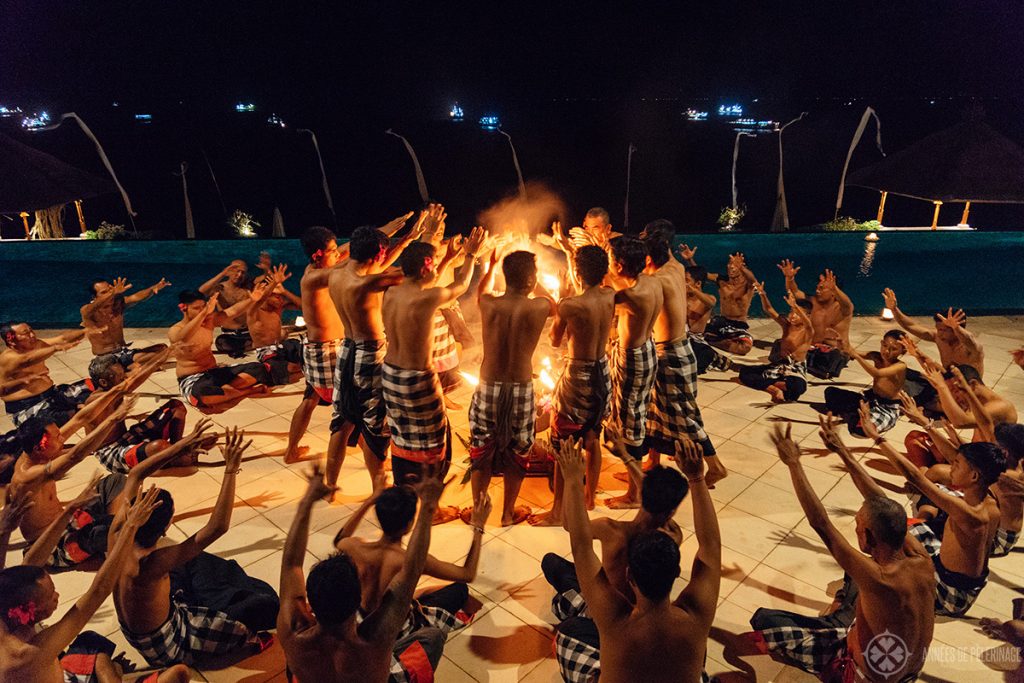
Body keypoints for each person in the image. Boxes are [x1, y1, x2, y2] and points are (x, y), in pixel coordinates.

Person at [751, 419, 935, 682]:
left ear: (869, 536)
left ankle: (835, 622)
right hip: (908, 674)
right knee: (853, 579)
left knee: (766, 621)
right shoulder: (922, 559)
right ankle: (839, 613)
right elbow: (881, 501)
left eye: (858, 526)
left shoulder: (878, 578)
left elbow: (821, 524)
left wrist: (794, 464)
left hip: (858, 674)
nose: (856, 530)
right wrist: (842, 452)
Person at [552, 437, 720, 683]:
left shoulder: (613, 618)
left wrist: (573, 479)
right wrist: (696, 478)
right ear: (676, 572)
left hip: (598, 625)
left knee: (568, 627)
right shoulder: (696, 618)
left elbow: (580, 544)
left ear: (630, 575)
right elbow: (712, 546)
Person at [113, 427, 278, 667]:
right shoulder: (150, 565)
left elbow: (136, 473)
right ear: (165, 528)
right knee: (268, 603)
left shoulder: (117, 533)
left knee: (195, 560)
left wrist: (181, 446)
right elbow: (217, 527)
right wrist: (231, 469)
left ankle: (211, 599)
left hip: (151, 624)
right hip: (169, 646)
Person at [278, 463, 452, 683]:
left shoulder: (293, 630)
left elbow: (291, 564)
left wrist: (306, 503)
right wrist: (428, 506)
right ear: (357, 600)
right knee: (433, 636)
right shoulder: (375, 639)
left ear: (309, 603)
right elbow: (411, 570)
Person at [0, 489, 190, 683]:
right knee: (180, 673)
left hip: (54, 672)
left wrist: (6, 529)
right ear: (29, 610)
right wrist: (130, 528)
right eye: (51, 597)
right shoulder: (25, 654)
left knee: (90, 642)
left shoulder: (6, 607)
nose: (57, 595)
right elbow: (99, 591)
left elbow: (31, 562)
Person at [858, 403, 1005, 616]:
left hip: (951, 595)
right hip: (962, 580)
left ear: (973, 476)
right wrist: (925, 423)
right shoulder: (990, 501)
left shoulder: (969, 513)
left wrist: (877, 438)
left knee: (886, 531)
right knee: (911, 528)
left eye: (956, 465)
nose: (951, 467)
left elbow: (915, 477)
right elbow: (955, 454)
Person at [325, 215, 428, 494]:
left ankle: (329, 483)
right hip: (369, 355)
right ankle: (379, 491)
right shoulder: (367, 284)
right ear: (378, 253)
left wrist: (405, 239)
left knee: (342, 419)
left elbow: (377, 264)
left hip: (346, 350)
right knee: (375, 424)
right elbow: (413, 274)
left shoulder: (337, 272)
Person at [541, 428, 688, 620]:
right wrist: (625, 456)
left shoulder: (612, 531)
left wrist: (572, 478)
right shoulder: (672, 536)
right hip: (638, 612)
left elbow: (570, 525)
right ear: (671, 510)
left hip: (605, 608)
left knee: (551, 562)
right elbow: (649, 491)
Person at [383, 230, 484, 495]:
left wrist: (448, 257)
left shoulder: (392, 292)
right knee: (433, 440)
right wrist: (471, 254)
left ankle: (402, 488)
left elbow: (427, 282)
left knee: (403, 435)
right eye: (433, 263)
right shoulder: (427, 298)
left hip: (391, 375)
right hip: (417, 379)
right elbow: (461, 285)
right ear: (426, 268)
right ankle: (430, 503)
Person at [333, 474, 487, 638]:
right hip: (394, 629)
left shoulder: (356, 548)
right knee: (459, 590)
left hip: (362, 621)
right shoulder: (411, 561)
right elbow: (467, 574)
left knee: (419, 592)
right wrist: (478, 527)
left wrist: (372, 499)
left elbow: (339, 539)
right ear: (409, 525)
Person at [462, 248, 552, 526]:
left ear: (505, 276)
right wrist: (533, 280)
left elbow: (482, 289)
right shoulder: (538, 306)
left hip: (489, 383)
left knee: (481, 447)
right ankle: (506, 513)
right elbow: (554, 301)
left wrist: (490, 267)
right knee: (519, 449)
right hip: (521, 386)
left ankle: (479, 513)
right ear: (531, 279)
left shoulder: (489, 304)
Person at [531, 245, 615, 526]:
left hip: (578, 373)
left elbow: (555, 340)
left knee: (562, 440)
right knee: (592, 436)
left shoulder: (571, 305)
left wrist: (563, 299)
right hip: (603, 370)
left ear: (577, 273)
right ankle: (590, 497)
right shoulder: (610, 296)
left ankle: (557, 512)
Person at [640, 221, 724, 488]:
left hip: (672, 354)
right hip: (676, 349)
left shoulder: (657, 279)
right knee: (656, 411)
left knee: (684, 418)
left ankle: (716, 466)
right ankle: (652, 461)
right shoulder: (676, 267)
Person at [11, 402, 141, 568]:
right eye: (57, 438)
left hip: (69, 520)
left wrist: (116, 392)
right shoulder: (27, 476)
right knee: (105, 532)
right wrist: (111, 420)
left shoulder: (37, 450)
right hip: (52, 544)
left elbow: (79, 419)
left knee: (115, 481)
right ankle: (109, 538)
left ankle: (111, 529)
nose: (63, 439)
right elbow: (75, 456)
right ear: (39, 448)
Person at [169, 278, 286, 414]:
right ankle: (247, 391)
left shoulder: (209, 321)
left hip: (214, 372)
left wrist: (252, 299)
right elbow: (184, 337)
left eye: (203, 307)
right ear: (183, 308)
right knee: (202, 393)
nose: (202, 311)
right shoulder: (175, 330)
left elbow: (233, 311)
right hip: (192, 379)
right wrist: (204, 313)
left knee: (258, 369)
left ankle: (225, 393)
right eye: (197, 308)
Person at [281, 226, 347, 464]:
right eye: (332, 251)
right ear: (318, 254)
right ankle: (335, 470)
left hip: (325, 348)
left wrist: (388, 232)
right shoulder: (314, 277)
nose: (338, 254)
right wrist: (404, 244)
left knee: (310, 399)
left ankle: (291, 450)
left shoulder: (322, 265)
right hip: (324, 350)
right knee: (345, 407)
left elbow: (352, 249)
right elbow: (361, 263)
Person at [605, 236, 662, 508]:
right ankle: (635, 475)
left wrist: (572, 259)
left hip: (634, 359)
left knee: (631, 423)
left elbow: (597, 293)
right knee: (636, 415)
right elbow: (615, 280)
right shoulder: (651, 281)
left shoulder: (630, 295)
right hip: (647, 350)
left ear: (618, 264)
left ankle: (634, 494)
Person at [85, 350, 197, 473]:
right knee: (159, 446)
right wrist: (159, 360)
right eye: (121, 378)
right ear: (103, 382)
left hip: (126, 438)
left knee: (176, 407)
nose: (125, 380)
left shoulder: (114, 389)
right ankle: (173, 457)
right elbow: (133, 383)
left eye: (124, 376)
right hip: (110, 453)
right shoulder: (96, 400)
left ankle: (176, 450)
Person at [814, 330, 907, 437]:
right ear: (881, 343)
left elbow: (878, 373)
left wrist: (856, 357)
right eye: (885, 346)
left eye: (894, 349)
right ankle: (854, 414)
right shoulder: (876, 356)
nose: (887, 351)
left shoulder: (900, 366)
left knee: (860, 430)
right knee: (830, 392)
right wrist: (842, 346)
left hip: (887, 409)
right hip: (871, 401)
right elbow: (851, 352)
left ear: (902, 352)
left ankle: (852, 415)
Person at [735, 283, 813, 403]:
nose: (792, 316)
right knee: (744, 373)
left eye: (797, 313)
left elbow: (808, 324)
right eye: (791, 311)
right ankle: (774, 389)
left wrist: (796, 306)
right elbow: (769, 310)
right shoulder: (787, 325)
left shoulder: (808, 331)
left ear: (807, 315)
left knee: (798, 387)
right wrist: (762, 294)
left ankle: (775, 385)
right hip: (778, 366)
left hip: (794, 369)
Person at [0, 322, 87, 427]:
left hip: (52, 395)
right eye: (26, 333)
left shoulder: (37, 344)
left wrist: (86, 330)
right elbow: (27, 359)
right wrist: (56, 348)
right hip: (27, 407)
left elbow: (63, 339)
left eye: (31, 330)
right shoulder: (8, 358)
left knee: (94, 388)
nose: (32, 335)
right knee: (82, 412)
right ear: (11, 340)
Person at [883, 290, 986, 377]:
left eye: (943, 330)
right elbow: (911, 326)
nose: (939, 334)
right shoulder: (938, 338)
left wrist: (956, 328)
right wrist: (894, 309)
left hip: (969, 393)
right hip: (947, 383)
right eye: (938, 329)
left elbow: (969, 339)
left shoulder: (972, 348)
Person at [779, 261, 854, 378]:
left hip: (834, 352)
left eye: (822, 288)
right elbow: (795, 292)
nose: (817, 290)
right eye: (817, 287)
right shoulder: (812, 301)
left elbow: (848, 303)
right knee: (781, 345)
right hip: (812, 348)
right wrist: (790, 278)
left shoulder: (843, 308)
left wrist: (834, 288)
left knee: (833, 357)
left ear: (834, 293)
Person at [81, 276, 171, 368]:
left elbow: (137, 296)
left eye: (110, 290)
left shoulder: (118, 305)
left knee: (163, 349)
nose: (109, 294)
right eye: (104, 292)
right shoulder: (88, 312)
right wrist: (113, 293)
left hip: (123, 353)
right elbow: (90, 309)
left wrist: (154, 287)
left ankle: (129, 367)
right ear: (94, 297)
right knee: (157, 357)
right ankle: (129, 368)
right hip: (105, 358)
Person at [246, 264, 306, 387]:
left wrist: (284, 291)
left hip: (281, 347)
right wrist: (272, 284)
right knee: (291, 368)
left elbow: (305, 307)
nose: (280, 298)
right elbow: (260, 299)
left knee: (308, 350)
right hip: (267, 352)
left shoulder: (278, 307)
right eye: (275, 295)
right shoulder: (254, 311)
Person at [695, 251, 758, 356]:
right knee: (692, 331)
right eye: (730, 263)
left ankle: (711, 341)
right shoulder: (721, 281)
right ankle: (710, 338)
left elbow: (753, 280)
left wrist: (741, 267)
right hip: (720, 323)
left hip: (737, 327)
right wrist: (689, 259)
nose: (731, 267)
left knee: (745, 348)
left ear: (743, 266)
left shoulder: (747, 285)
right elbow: (700, 274)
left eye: (735, 264)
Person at [198, 259, 255, 357]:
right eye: (236, 270)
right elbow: (200, 293)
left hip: (248, 333)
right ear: (229, 271)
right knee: (221, 342)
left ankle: (245, 346)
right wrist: (222, 274)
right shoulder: (219, 288)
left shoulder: (248, 287)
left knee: (278, 335)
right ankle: (247, 347)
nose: (239, 274)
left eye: (243, 272)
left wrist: (267, 269)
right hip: (229, 334)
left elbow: (267, 280)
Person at [684, 264, 732, 375]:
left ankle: (715, 358)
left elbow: (711, 303)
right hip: (682, 338)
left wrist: (693, 290)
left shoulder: (708, 299)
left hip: (697, 340)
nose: (683, 284)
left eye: (686, 281)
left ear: (698, 284)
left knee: (701, 355)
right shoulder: (681, 298)